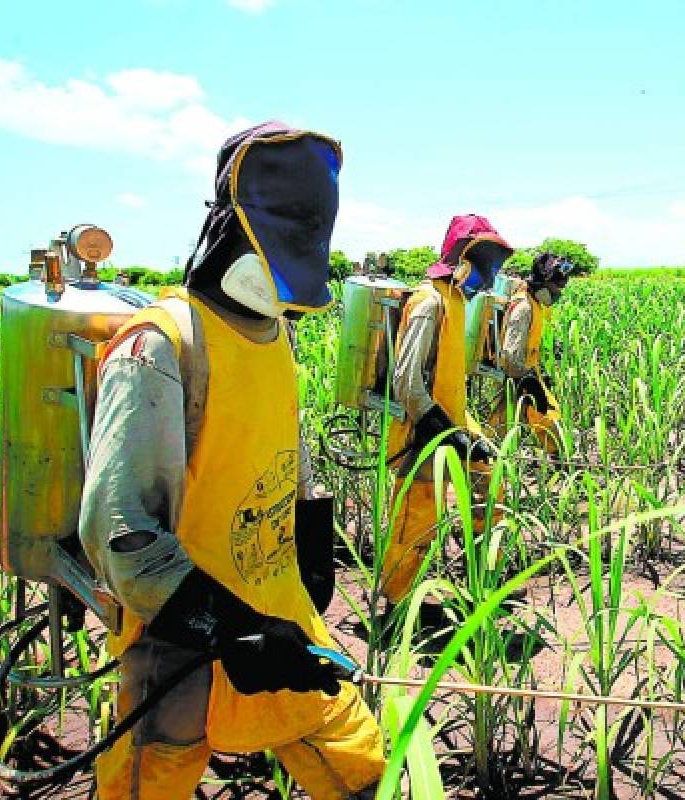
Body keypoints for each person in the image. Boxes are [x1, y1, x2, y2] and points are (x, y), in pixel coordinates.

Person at [79, 121, 385, 800]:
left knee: (359, 764)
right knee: (151, 778)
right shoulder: (162, 343)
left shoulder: (275, 332)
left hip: (278, 610)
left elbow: (281, 444)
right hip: (179, 633)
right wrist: (228, 627)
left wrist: (310, 543)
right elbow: (121, 529)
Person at [380, 214, 512, 620]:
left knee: (491, 483)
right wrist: (440, 428)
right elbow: (406, 379)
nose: (489, 278)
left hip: (451, 424)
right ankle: (398, 608)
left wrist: (465, 433)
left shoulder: (455, 301)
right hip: (419, 433)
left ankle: (479, 578)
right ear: (463, 260)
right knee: (416, 519)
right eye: (485, 265)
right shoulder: (428, 302)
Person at [488, 252, 572, 456]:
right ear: (543, 284)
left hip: (524, 375)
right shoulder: (524, 307)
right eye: (556, 288)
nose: (558, 293)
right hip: (516, 377)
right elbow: (509, 356)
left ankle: (491, 460)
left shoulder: (534, 303)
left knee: (500, 426)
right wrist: (531, 381)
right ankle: (561, 462)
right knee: (547, 417)